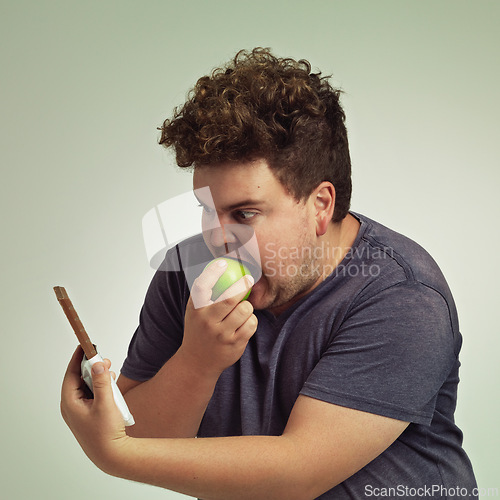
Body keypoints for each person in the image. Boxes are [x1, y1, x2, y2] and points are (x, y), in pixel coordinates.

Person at [61, 48, 478, 499]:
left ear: (320, 206)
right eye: (207, 210)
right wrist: (196, 362)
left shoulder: (403, 297)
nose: (216, 238)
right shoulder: (187, 274)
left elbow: (298, 474)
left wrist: (113, 455)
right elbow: (142, 436)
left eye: (243, 213)